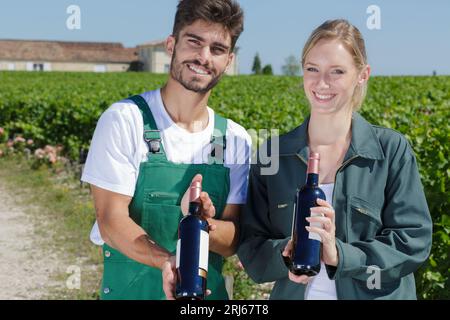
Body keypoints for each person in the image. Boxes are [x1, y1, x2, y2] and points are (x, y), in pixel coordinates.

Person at [237, 19, 432, 300]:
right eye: (312, 69)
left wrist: (340, 255)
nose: (322, 83)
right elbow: (251, 244)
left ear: (362, 75)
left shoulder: (391, 151)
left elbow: (413, 241)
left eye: (337, 71)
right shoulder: (272, 154)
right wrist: (285, 254)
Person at [81, 0, 250, 300]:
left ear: (229, 60)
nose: (203, 57)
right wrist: (166, 262)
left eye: (217, 49)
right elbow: (110, 220)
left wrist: (202, 223)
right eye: (194, 42)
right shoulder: (125, 120)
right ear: (171, 45)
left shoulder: (235, 140)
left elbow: (232, 239)